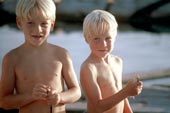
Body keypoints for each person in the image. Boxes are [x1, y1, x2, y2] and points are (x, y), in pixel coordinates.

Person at [0, 0, 81, 113]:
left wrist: (59, 97)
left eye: (44, 24)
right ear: (19, 23)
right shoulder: (12, 59)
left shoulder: (62, 54)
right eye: (30, 23)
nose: (37, 29)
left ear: (52, 25)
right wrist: (31, 96)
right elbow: (4, 101)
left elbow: (76, 91)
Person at [80, 9, 143, 113]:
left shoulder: (117, 62)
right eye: (96, 39)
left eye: (108, 38)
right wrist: (127, 91)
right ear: (87, 38)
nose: (103, 44)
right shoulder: (89, 68)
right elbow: (97, 107)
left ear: (115, 37)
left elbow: (120, 96)